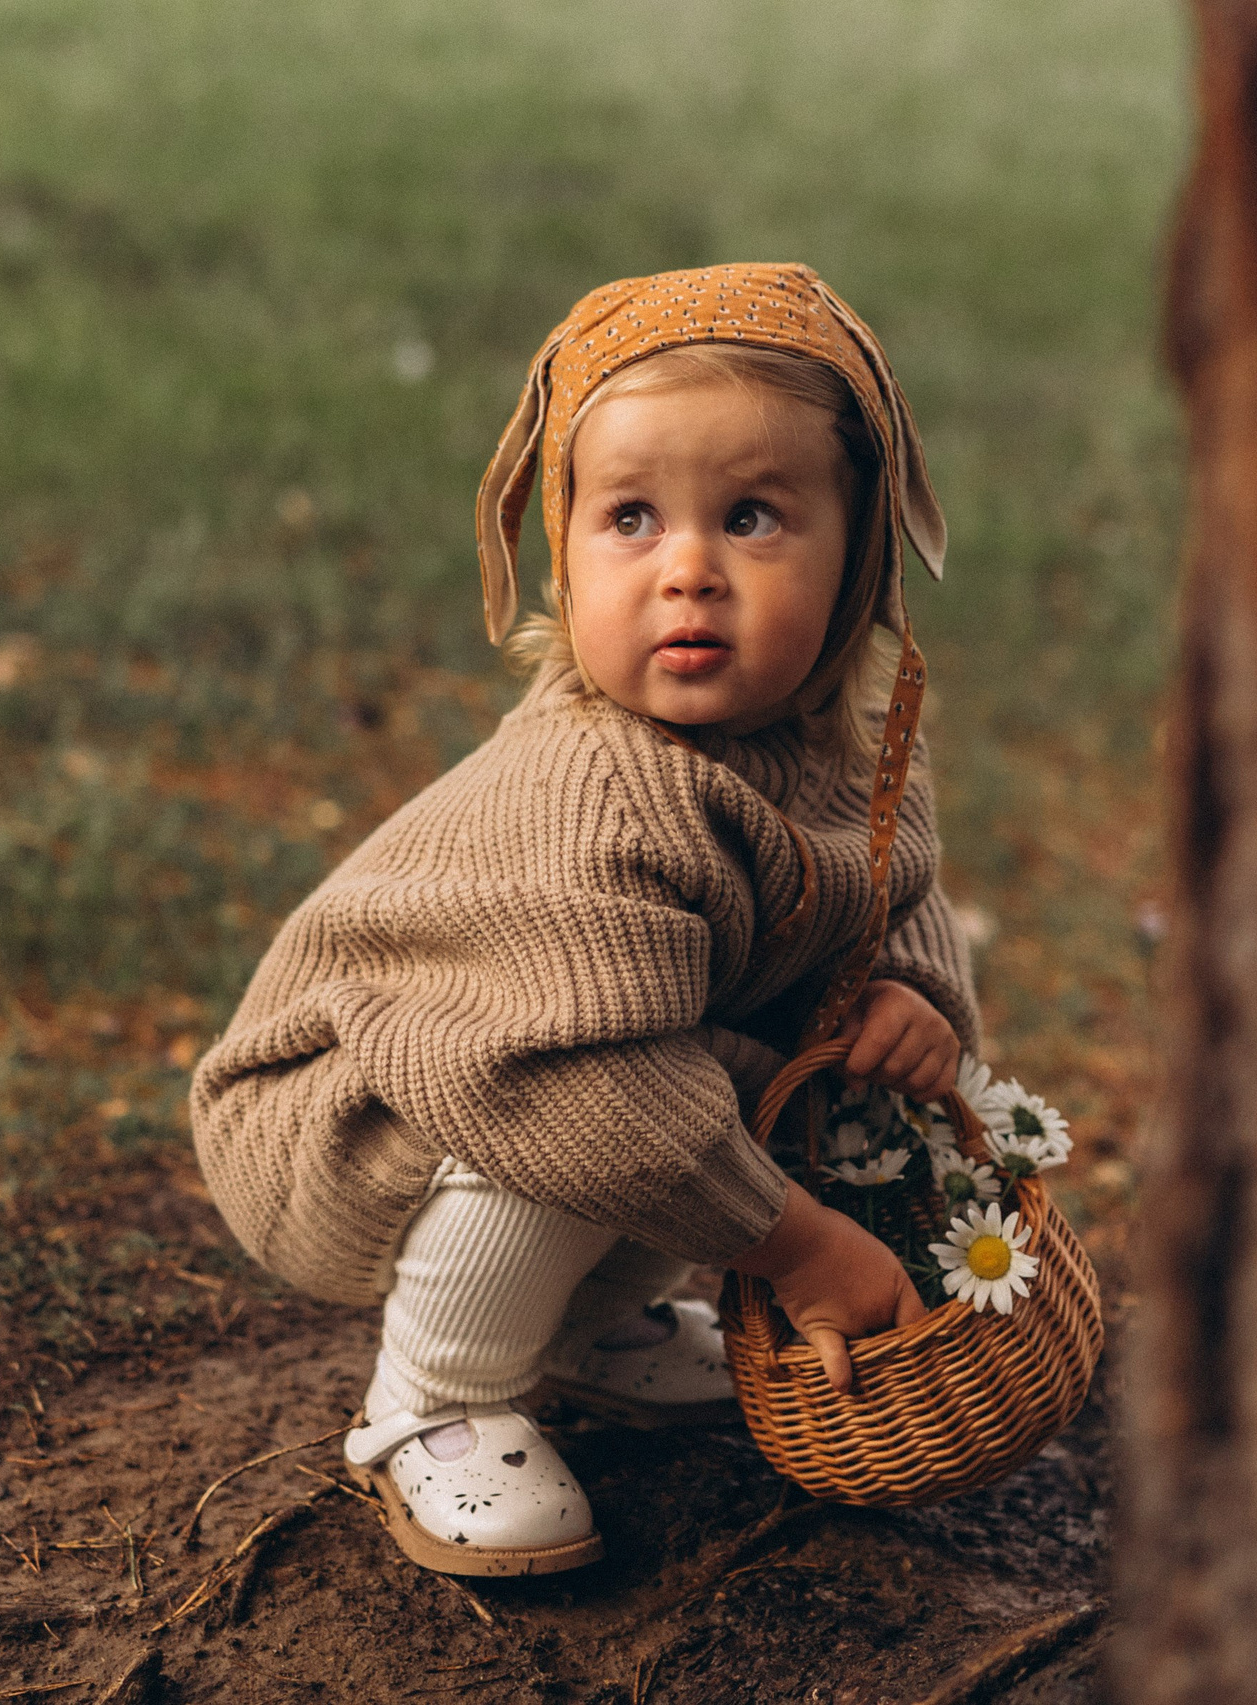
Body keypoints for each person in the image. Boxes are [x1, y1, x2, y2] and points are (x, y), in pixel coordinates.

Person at [189, 265, 977, 1576]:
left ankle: (585, 1331)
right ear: (558, 542)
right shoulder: (594, 787)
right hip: (358, 1103)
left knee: (711, 1098)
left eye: (753, 517)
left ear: (863, 553)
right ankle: (431, 1398)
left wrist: (914, 996)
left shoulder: (848, 747)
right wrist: (796, 1246)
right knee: (606, 1122)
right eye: (630, 517)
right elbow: (579, 1089)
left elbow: (888, 883)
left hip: (583, 1071)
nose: (689, 571)